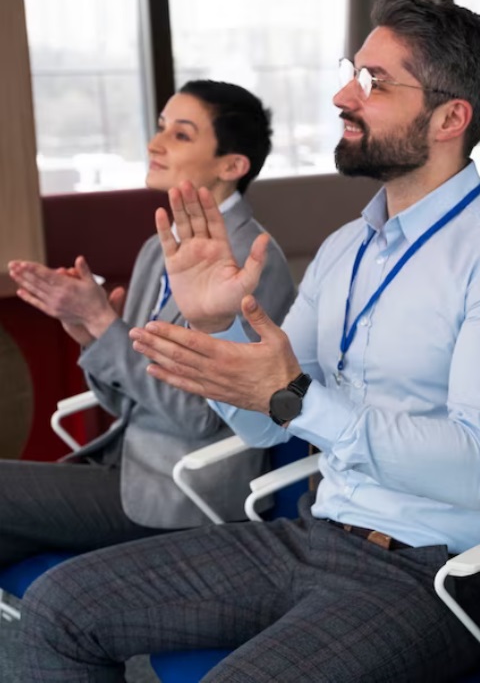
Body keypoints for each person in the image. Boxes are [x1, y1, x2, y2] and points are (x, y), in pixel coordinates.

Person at [18, 0, 480, 681]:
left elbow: (475, 468)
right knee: (58, 609)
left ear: (449, 118)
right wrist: (216, 325)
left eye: (375, 81)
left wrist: (296, 399)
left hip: (435, 574)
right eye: (353, 71)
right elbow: (260, 428)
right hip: (317, 534)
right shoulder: (346, 248)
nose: (345, 94)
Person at [2, 80, 294, 565]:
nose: (154, 145)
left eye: (180, 135)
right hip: (126, 468)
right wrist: (90, 332)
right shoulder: (156, 248)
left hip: (181, 493)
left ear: (232, 165)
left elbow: (198, 417)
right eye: (161, 128)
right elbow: (124, 400)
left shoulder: (252, 262)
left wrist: (106, 325)